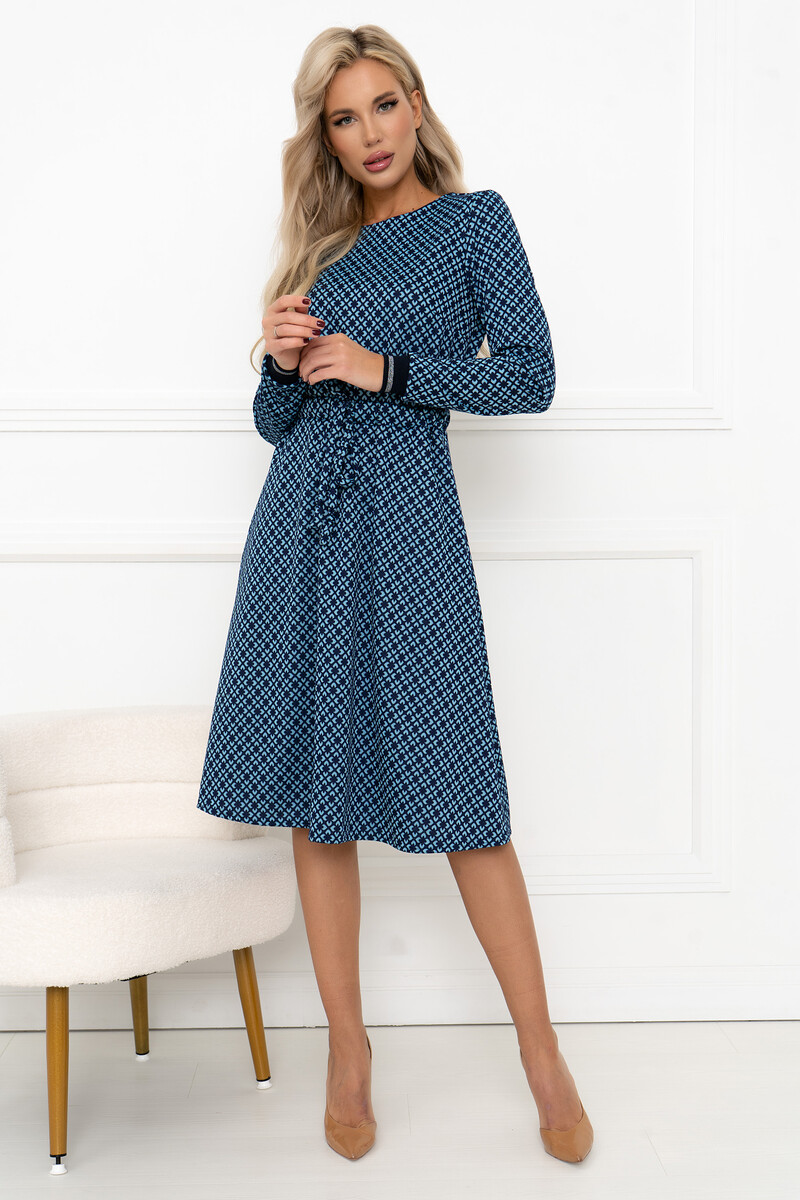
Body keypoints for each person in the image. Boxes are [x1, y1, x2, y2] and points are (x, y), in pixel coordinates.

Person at [196, 23, 593, 1165]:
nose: (367, 134)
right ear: (324, 137)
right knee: (320, 802)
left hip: (411, 532)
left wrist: (387, 370)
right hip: (302, 533)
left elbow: (531, 376)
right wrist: (280, 359)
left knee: (466, 797)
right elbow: (276, 424)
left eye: (381, 105)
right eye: (342, 118)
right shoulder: (317, 252)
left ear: (415, 105)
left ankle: (541, 1054)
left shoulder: (475, 224)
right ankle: (348, 1049)